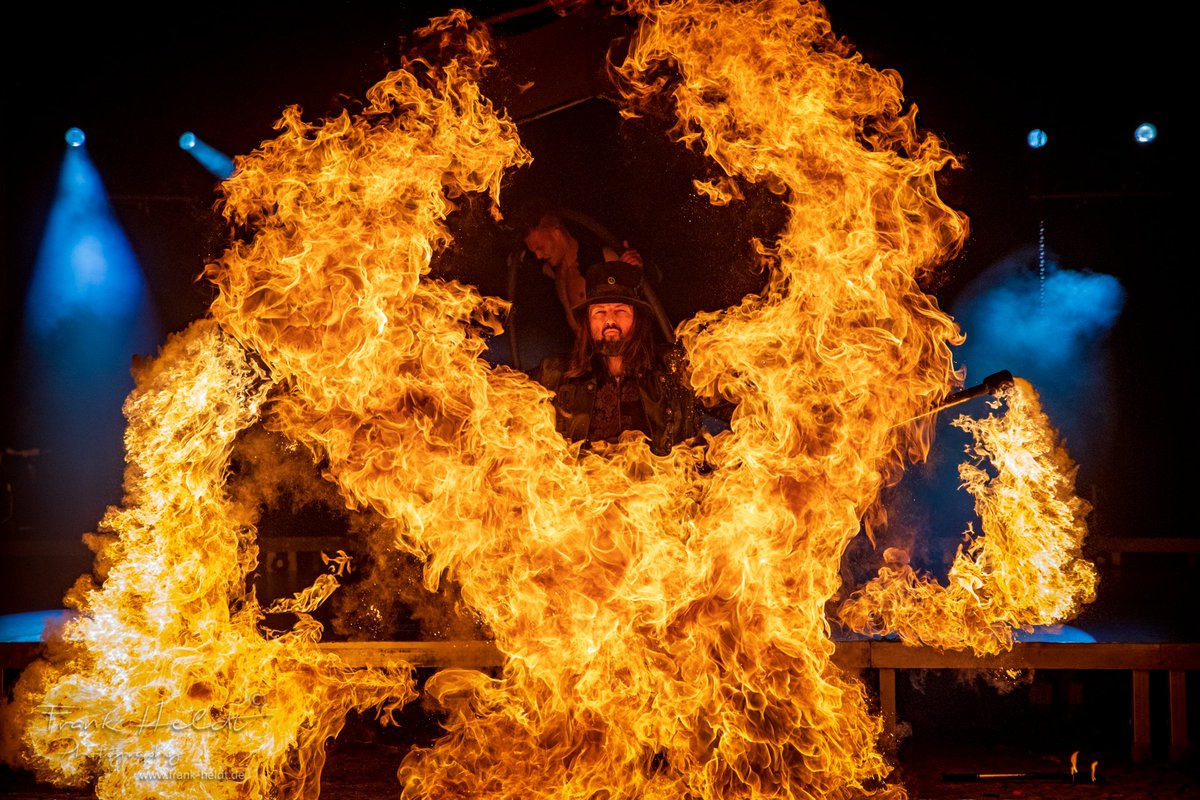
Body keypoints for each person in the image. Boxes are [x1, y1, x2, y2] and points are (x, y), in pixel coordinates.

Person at [531, 260, 726, 456]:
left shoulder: (673, 368)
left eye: (620, 310)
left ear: (637, 318)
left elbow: (731, 397)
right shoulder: (555, 375)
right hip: (584, 485)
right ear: (588, 322)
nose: (609, 320)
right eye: (599, 312)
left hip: (662, 483)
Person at [519, 209, 644, 336]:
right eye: (534, 252)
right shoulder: (557, 271)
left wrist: (635, 269)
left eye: (540, 248)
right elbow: (531, 263)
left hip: (613, 347)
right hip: (587, 351)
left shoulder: (600, 259)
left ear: (556, 233)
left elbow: (634, 301)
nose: (539, 256)